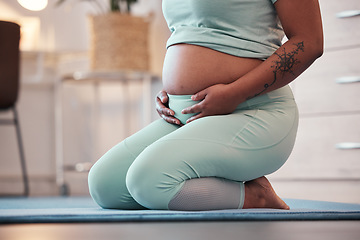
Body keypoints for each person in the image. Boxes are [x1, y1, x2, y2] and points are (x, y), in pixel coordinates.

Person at [88, 0, 323, 211]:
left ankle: (255, 196)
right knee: (105, 185)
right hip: (186, 116)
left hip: (253, 111)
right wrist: (172, 91)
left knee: (148, 181)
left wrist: (235, 93)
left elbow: (309, 41)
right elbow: (189, 34)